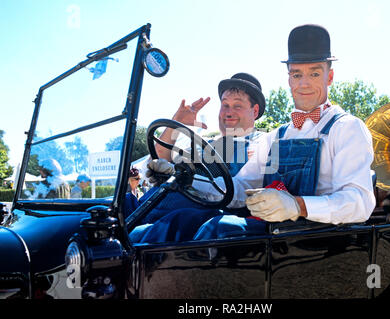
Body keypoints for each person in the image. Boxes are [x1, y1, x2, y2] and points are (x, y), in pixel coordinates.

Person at [146, 24, 376, 241]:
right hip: (274, 232)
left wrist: (298, 205)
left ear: (330, 77)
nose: (304, 84)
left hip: (317, 236)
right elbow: (239, 189)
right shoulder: (276, 137)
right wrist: (185, 179)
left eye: (314, 74)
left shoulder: (346, 128)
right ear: (289, 79)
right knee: (184, 220)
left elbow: (360, 203)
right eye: (297, 74)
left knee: (217, 229)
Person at [129, 72, 266, 242]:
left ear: (255, 110)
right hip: (149, 206)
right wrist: (176, 122)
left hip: (191, 219)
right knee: (107, 208)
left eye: (237, 106)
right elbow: (159, 157)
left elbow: (242, 191)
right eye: (225, 105)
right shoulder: (203, 143)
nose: (228, 112)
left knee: (175, 221)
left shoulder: (261, 143)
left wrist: (185, 179)